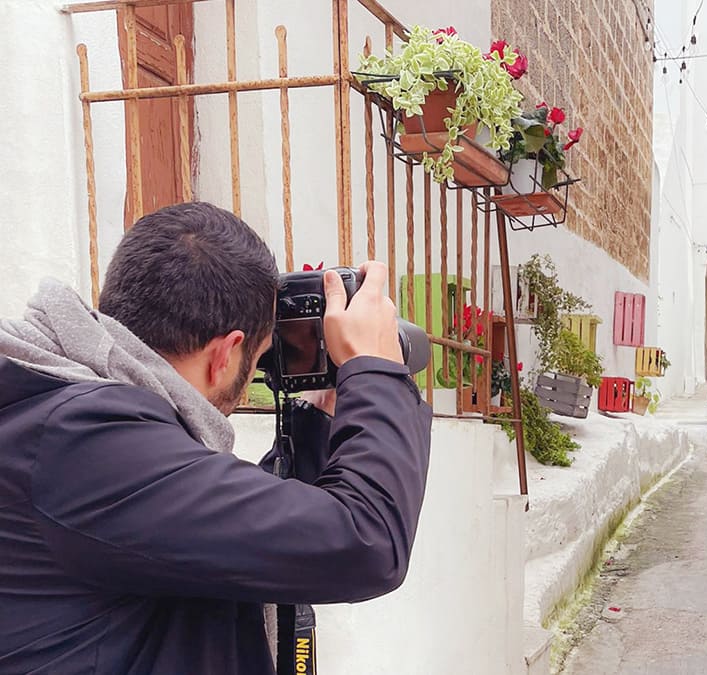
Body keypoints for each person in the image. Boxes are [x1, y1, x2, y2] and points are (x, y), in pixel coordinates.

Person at [0, 202, 433, 674]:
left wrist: (316, 419)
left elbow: (246, 537)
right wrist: (377, 370)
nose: (253, 378)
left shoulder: (60, 415)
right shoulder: (83, 440)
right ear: (225, 354)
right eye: (260, 356)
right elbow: (365, 543)